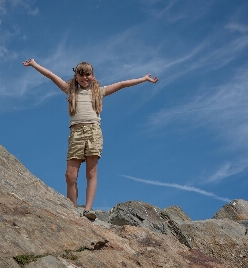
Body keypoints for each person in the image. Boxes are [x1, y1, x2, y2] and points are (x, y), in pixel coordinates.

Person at [23, 59, 158, 220]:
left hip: (93, 132)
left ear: (92, 76)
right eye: (81, 75)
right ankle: (72, 209)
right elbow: (51, 76)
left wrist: (143, 79)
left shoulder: (98, 92)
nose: (84, 78)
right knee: (70, 175)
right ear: (76, 76)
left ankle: (87, 210)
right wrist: (34, 64)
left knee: (91, 172)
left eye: (87, 74)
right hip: (76, 133)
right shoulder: (70, 91)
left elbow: (122, 84)